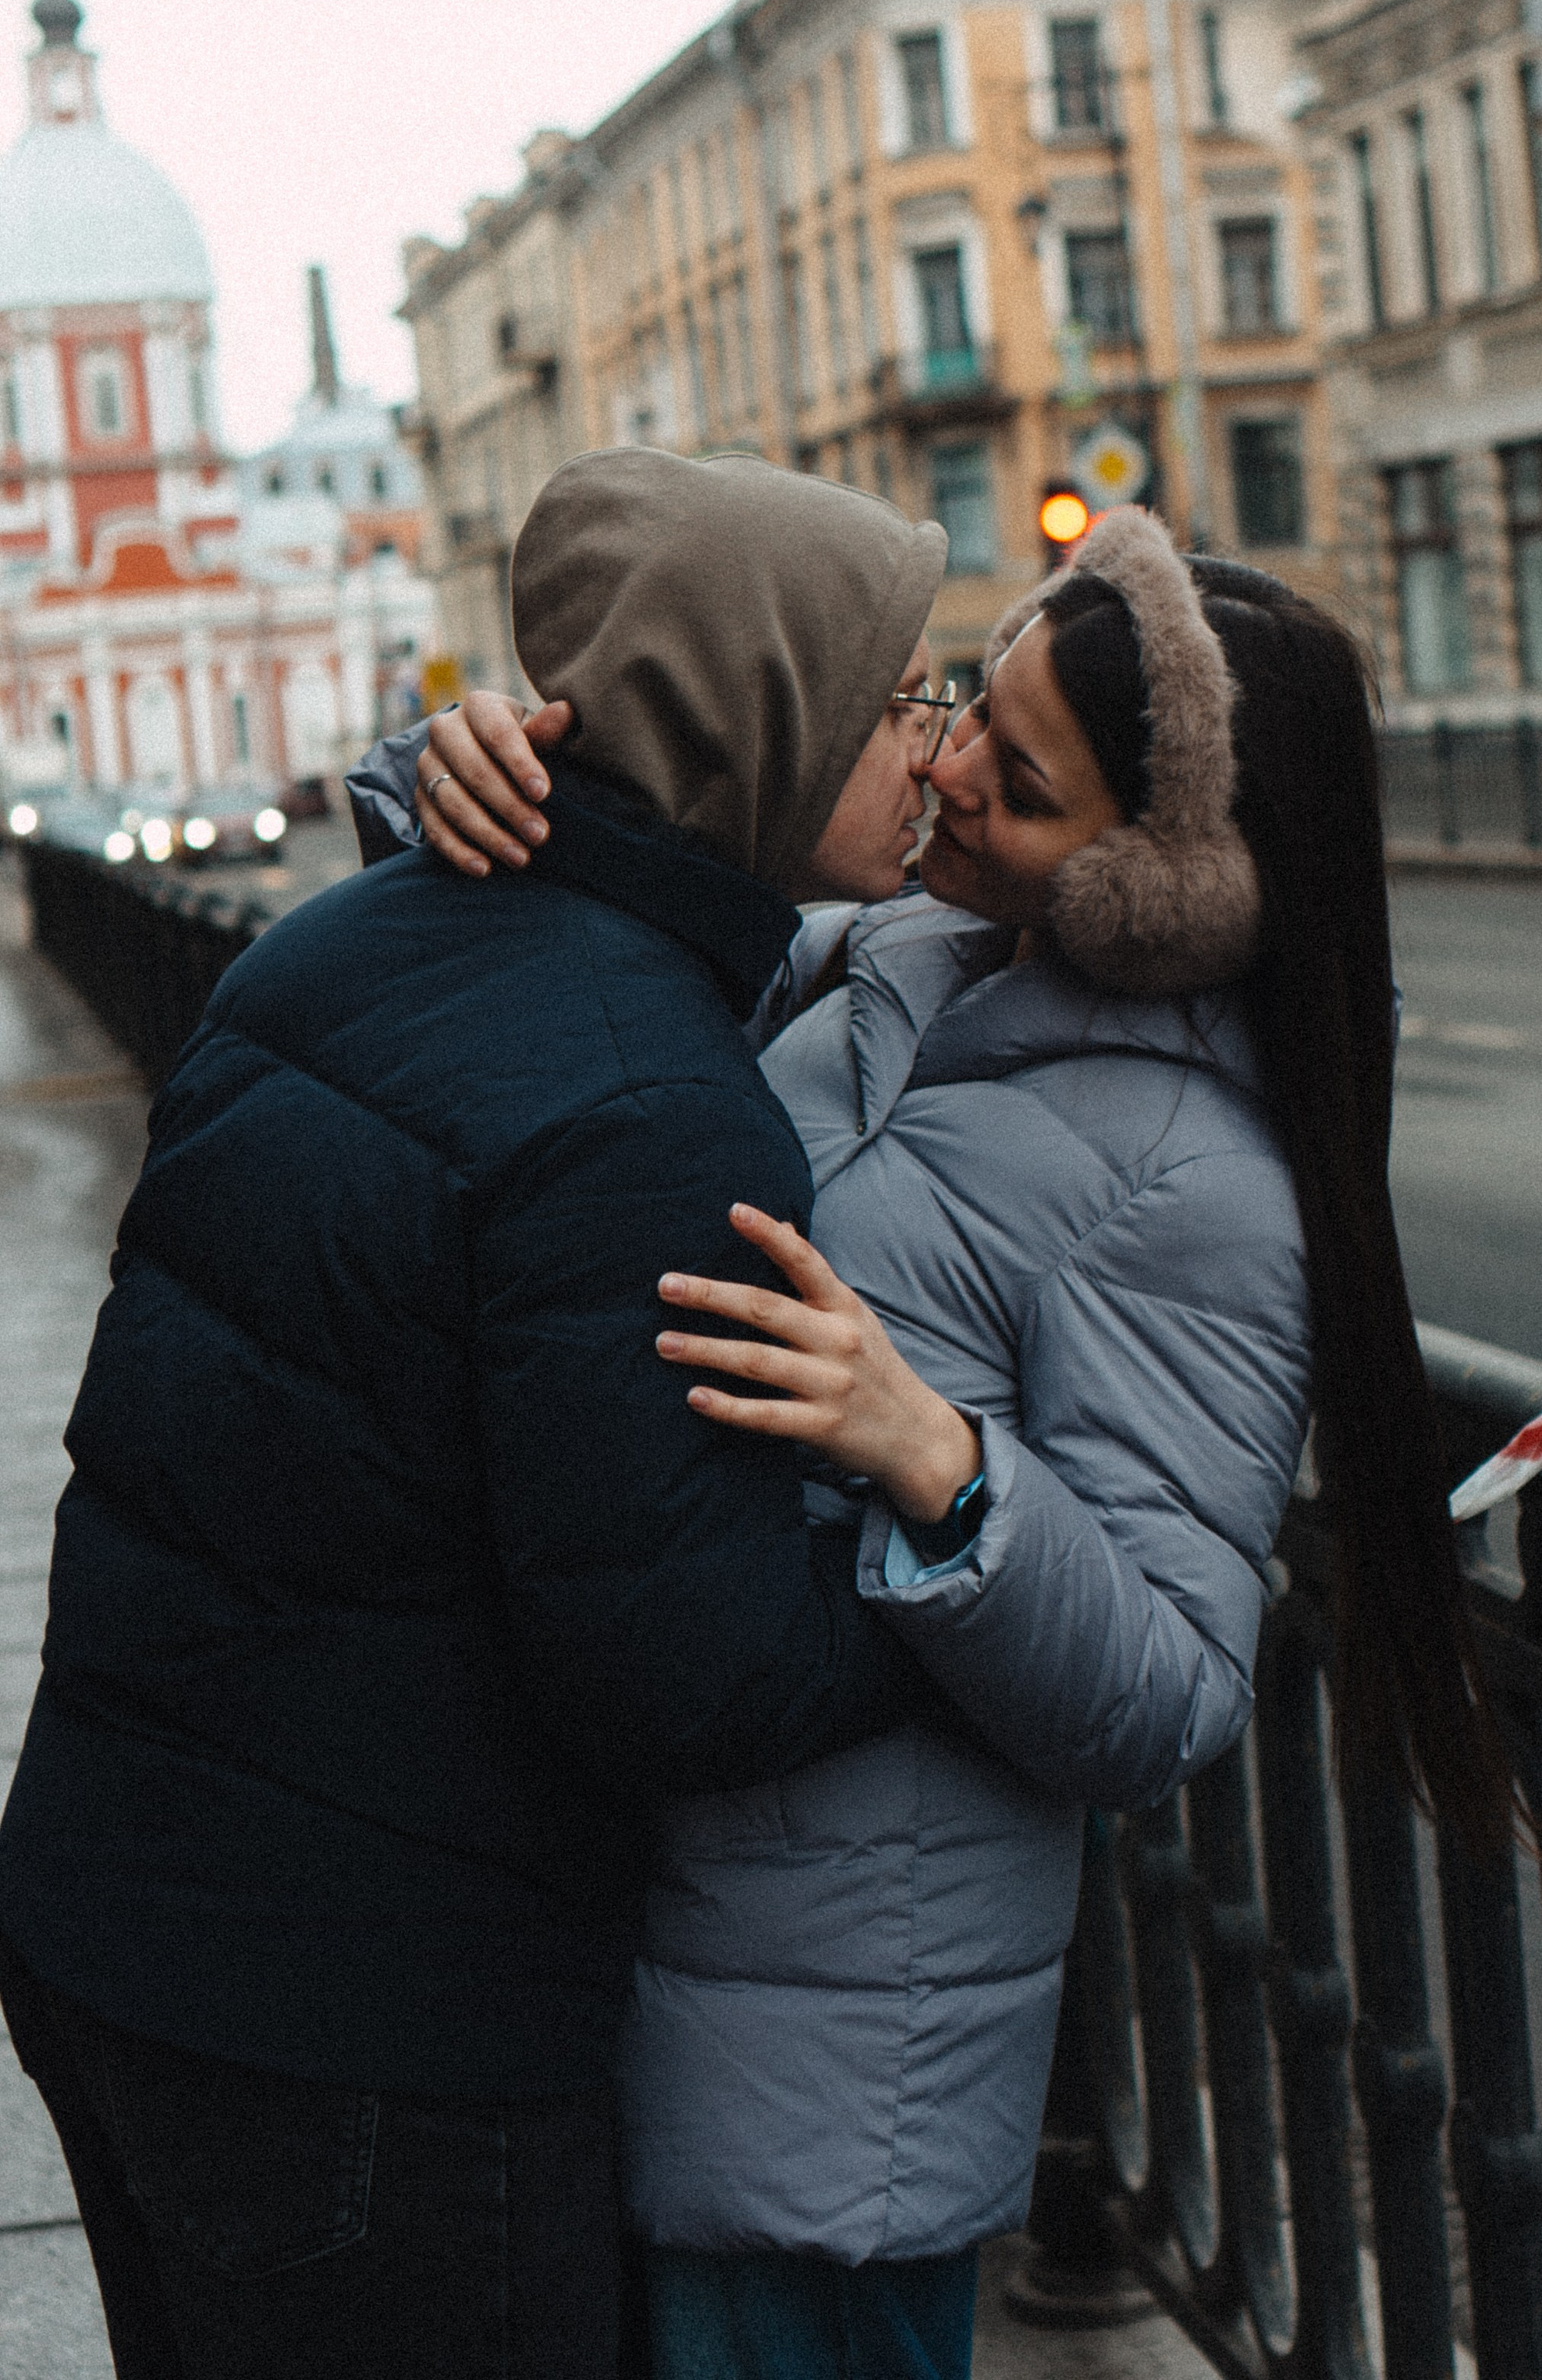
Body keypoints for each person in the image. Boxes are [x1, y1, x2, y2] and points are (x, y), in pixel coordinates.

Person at [386, 507, 1512, 2380]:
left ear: (1160, 882)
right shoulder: (889, 962)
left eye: (1029, 780)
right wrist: (473, 769)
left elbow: (1163, 1688)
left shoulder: (1204, 1189)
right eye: (972, 706)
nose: (953, 770)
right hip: (635, 1923)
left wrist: (942, 1462)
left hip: (829, 2077)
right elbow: (613, 946)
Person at [0, 447, 960, 2380]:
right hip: (367, 2017)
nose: (935, 748)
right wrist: (964, 1570)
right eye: (898, 702)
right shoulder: (646, 1097)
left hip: (125, 1907)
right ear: (754, 719)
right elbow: (679, 1675)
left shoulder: (344, 941)